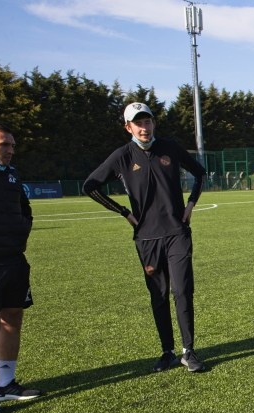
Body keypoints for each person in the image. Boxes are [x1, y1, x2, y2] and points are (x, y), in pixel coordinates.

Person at [84, 103, 208, 373]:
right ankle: (168, 351)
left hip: (177, 232)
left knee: (183, 290)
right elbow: (90, 186)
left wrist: (191, 204)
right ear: (128, 127)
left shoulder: (170, 147)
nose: (144, 127)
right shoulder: (122, 156)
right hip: (147, 238)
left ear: (153, 123)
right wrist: (124, 213)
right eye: (138, 123)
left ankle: (189, 351)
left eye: (147, 121)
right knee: (159, 295)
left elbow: (200, 173)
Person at [0, 121, 43, 413]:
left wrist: (22, 233)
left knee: (12, 319)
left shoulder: (12, 175)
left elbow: (25, 209)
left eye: (13, 145)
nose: (11, 149)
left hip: (15, 259)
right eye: (4, 144)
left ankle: (5, 384)